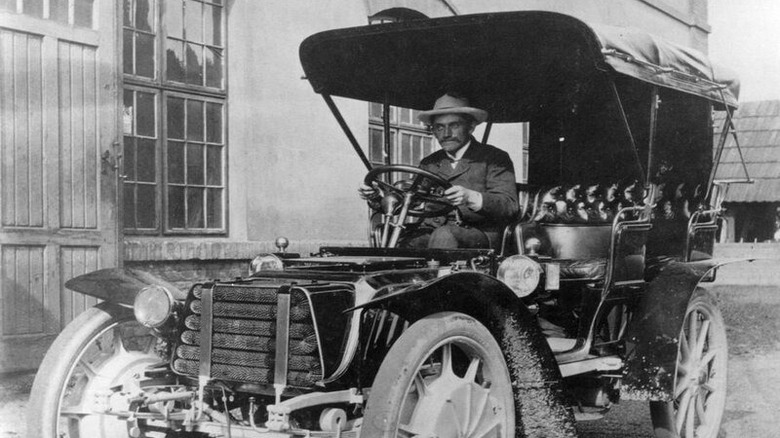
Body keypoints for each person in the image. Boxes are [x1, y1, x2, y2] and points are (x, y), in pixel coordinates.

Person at [359, 93, 519, 249]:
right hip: (432, 230)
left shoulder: (494, 158)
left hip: (479, 234)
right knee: (400, 242)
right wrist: (375, 196)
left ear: (470, 127)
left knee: (445, 235)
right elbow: (409, 201)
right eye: (439, 127)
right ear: (433, 131)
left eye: (454, 125)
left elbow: (509, 206)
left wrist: (470, 197)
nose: (446, 134)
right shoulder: (430, 163)